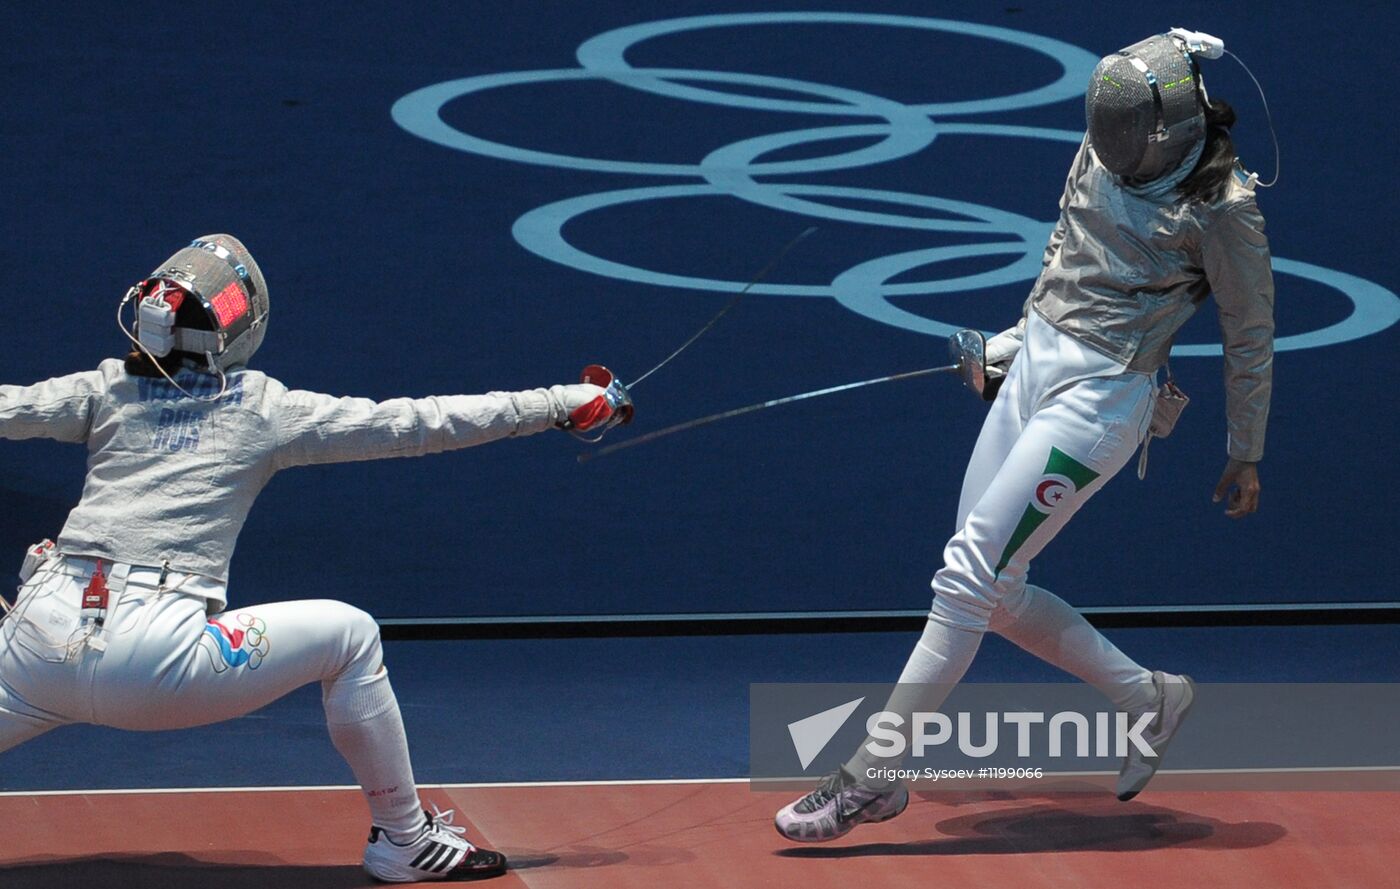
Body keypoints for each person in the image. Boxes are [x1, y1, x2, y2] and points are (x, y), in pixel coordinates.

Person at [0, 234, 627, 881]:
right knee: (350, 634)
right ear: (236, 329)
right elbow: (422, 421)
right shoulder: (262, 409)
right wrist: (558, 403)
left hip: (35, 648)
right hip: (157, 663)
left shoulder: (109, 388)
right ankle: (405, 839)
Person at [776, 28, 1275, 841]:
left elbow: (1250, 332)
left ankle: (873, 775)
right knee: (994, 589)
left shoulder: (1225, 207)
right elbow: (1067, 240)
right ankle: (1148, 695)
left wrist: (1245, 447)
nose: (1105, 144)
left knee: (968, 576)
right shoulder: (1106, 143)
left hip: (1102, 398)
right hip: (1037, 358)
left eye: (1122, 132)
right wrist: (1016, 339)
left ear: (1169, 128)